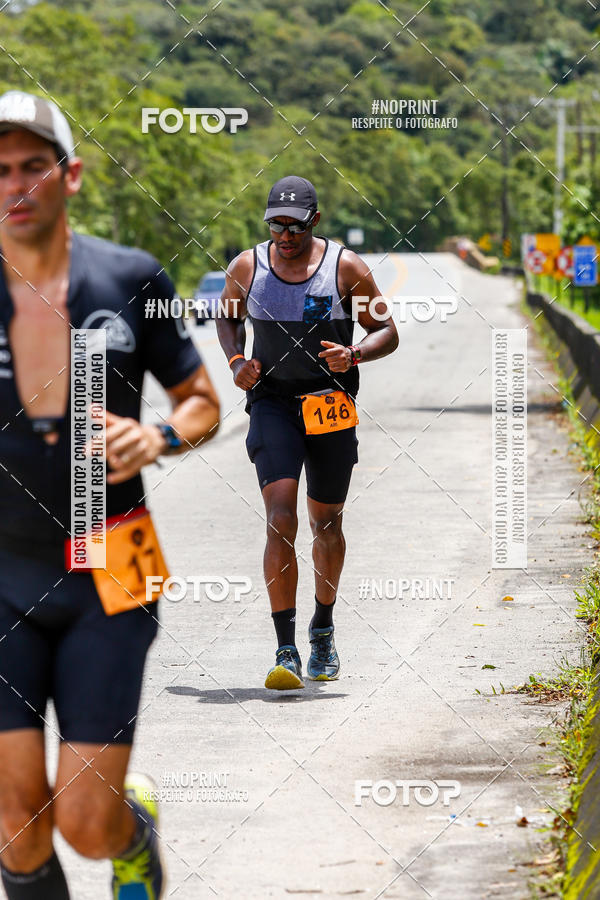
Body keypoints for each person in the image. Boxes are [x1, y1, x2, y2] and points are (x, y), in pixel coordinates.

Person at [0, 90, 220, 899]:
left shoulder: (129, 276)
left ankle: (133, 832)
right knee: (16, 825)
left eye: (33, 166)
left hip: (112, 572)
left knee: (85, 822)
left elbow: (203, 400)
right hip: (1, 577)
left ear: (72, 175)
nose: (15, 185)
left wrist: (157, 436)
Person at [216, 175, 398, 690]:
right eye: (276, 224)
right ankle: (286, 647)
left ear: (314, 221)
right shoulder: (248, 266)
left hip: (329, 404)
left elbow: (388, 331)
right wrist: (235, 360)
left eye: (294, 225)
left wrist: (355, 352)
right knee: (279, 518)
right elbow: (226, 318)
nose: (285, 234)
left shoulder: (345, 269)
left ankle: (323, 627)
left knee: (327, 526)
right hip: (272, 403)